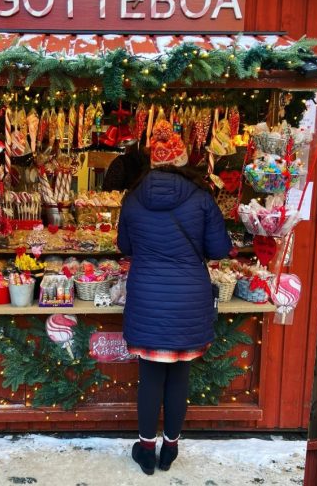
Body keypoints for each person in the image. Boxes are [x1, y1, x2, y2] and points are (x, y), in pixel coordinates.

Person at [117, 120, 231, 475]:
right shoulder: (201, 198)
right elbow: (219, 249)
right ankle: (170, 449)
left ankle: (145, 451)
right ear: (181, 159)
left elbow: (124, 246)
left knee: (150, 375)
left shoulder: (133, 199)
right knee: (179, 375)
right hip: (188, 298)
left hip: (147, 295)